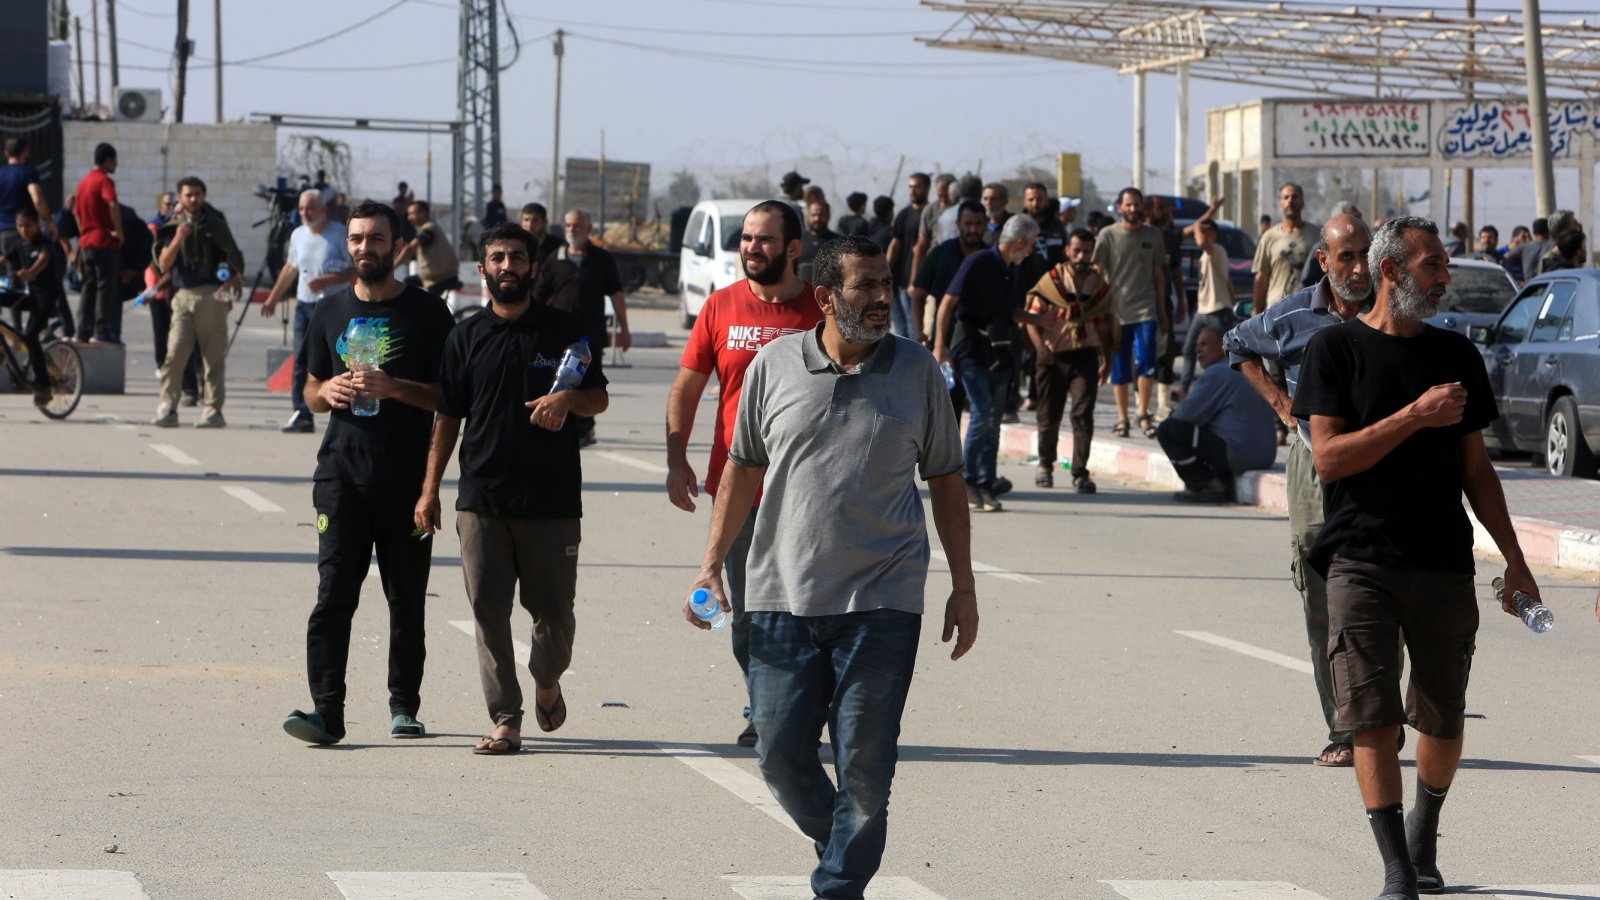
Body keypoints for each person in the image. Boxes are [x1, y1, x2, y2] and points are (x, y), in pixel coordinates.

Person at [684, 234, 977, 900]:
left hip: (883, 600)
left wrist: (963, 585)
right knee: (780, 756)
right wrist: (707, 568)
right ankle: (844, 836)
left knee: (867, 769)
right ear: (824, 297)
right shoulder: (774, 367)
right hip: (781, 596)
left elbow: (948, 480)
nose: (883, 299)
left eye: (886, 284)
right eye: (866, 287)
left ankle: (838, 886)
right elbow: (740, 470)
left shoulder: (916, 373)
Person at [1291, 215, 1538, 899]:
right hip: (1361, 561)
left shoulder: (1456, 356)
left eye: (1444, 265)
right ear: (1390, 270)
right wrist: (1413, 416)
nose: (1443, 278)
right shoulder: (1334, 351)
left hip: (1443, 563)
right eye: (1432, 265)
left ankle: (1425, 826)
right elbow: (1332, 458)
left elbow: (1477, 471)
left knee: (1444, 716)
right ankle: (1397, 868)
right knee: (1370, 715)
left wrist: (1515, 561)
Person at [415, 221, 607, 755]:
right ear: (482, 270)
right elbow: (448, 418)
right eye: (497, 258)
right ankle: (506, 718)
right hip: (482, 500)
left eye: (516, 258)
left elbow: (598, 398)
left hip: (551, 502)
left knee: (554, 616)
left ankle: (547, 679)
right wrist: (429, 489)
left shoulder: (565, 332)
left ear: (532, 267)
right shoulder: (465, 336)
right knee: (488, 613)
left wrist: (567, 402)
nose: (507, 267)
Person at [282, 201, 455, 746]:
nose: (364, 248)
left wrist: (395, 388)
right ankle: (326, 712)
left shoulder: (429, 314)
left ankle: (404, 707)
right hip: (340, 478)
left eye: (375, 239)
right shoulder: (329, 310)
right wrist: (325, 391)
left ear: (396, 245)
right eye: (356, 239)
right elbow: (309, 389)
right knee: (333, 596)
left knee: (405, 600)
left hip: (405, 481)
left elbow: (451, 398)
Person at [666, 200, 823, 748]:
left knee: (805, 604)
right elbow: (687, 387)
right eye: (747, 239)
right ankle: (764, 705)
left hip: (809, 489)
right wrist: (675, 456)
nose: (752, 248)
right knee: (748, 609)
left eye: (764, 240)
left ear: (793, 248)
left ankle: (797, 703)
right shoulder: (720, 307)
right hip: (738, 486)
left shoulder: (819, 310)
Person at [1223, 212, 1374, 768]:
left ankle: (1378, 718)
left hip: (1379, 463)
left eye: (1365, 254)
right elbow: (1235, 344)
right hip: (1314, 463)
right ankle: (1343, 728)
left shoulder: (1390, 312)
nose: (1358, 268)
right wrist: (1281, 405)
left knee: (1387, 592)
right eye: (1347, 256)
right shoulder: (1289, 318)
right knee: (1321, 599)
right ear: (1324, 260)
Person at [934, 214, 1043, 512]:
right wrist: (939, 346)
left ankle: (985, 480)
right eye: (1030, 245)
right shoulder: (979, 262)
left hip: (998, 352)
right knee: (981, 413)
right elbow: (947, 303)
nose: (1031, 251)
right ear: (1019, 242)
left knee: (994, 420)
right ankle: (966, 480)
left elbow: (1010, 312)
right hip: (969, 349)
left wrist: (1040, 321)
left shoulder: (1011, 269)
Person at [1024, 227, 1114, 493]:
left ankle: (1079, 472)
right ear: (1067, 251)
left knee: (1082, 414)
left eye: (1086, 251)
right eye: (1076, 250)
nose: (1081, 256)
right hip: (1052, 356)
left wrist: (1107, 360)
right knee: (1048, 414)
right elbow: (1032, 318)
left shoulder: (1099, 286)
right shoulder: (1051, 282)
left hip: (1085, 356)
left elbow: (1106, 325)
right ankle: (1045, 465)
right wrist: (1040, 348)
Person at [149, 176, 244, 428]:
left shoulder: (216, 224)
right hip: (183, 297)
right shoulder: (173, 226)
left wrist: (232, 280)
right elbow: (163, 264)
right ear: (180, 197)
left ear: (204, 195)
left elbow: (232, 255)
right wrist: (179, 238)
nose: (193, 199)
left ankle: (213, 410)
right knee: (175, 354)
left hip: (213, 295)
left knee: (213, 358)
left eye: (197, 194)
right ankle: (168, 407)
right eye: (188, 194)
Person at [531, 208, 629, 446]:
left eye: (577, 226)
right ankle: (559, 423)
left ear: (589, 229)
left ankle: (586, 430)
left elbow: (616, 293)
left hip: (590, 336)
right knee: (560, 380)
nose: (572, 230)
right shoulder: (554, 259)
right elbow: (538, 296)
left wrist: (625, 329)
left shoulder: (601, 259)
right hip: (558, 336)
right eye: (568, 226)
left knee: (590, 383)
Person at [262, 189, 355, 434]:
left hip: (334, 307)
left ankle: (346, 413)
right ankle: (301, 413)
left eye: (310, 208)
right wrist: (273, 298)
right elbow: (290, 268)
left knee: (339, 362)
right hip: (305, 306)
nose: (304, 213)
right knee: (301, 361)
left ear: (322, 209)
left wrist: (326, 280)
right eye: (301, 209)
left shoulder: (339, 234)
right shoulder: (297, 235)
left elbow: (353, 271)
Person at [1155, 326, 1276, 502]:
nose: (1198, 350)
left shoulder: (1218, 372)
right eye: (1197, 345)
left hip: (1239, 455)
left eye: (1204, 344)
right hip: (1265, 455)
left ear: (1221, 347)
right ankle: (1222, 480)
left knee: (1168, 430)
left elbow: (1184, 416)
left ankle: (1208, 485)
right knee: (1208, 428)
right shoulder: (1245, 367)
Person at [1092, 186, 1169, 440]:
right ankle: (1122, 417)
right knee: (1120, 368)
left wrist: (1162, 310)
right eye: (1129, 204)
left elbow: (1159, 274)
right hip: (1116, 313)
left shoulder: (1154, 235)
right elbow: (1096, 273)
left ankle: (1143, 413)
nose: (1133, 209)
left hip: (1145, 309)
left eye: (1137, 204)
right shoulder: (1107, 235)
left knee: (1147, 362)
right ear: (1120, 207)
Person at [1178, 197, 1238, 398]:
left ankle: (1222, 388)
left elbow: (1201, 240)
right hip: (1203, 310)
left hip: (1217, 310)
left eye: (1203, 231)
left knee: (1220, 353)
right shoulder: (1208, 255)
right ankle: (1184, 387)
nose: (1198, 236)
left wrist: (1197, 227)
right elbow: (1227, 280)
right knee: (1189, 348)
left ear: (1212, 235)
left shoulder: (1215, 250)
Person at [1, 207, 61, 405]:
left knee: (29, 335)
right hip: (30, 295)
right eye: (20, 226)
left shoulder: (45, 243)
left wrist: (30, 272)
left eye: (28, 226)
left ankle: (44, 385)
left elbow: (43, 261)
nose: (24, 230)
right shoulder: (19, 244)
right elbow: (3, 260)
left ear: (37, 225)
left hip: (47, 297)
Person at [910, 200, 986, 346]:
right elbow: (918, 295)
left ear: (985, 225)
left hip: (979, 343)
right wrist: (919, 332)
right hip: (943, 341)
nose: (973, 229)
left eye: (978, 224)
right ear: (958, 224)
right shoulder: (941, 254)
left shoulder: (990, 258)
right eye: (968, 224)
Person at [73, 142, 124, 344]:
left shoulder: (83, 182)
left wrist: (84, 231)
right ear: (108, 160)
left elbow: (76, 212)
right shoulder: (104, 181)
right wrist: (119, 232)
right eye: (114, 160)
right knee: (105, 287)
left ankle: (82, 330)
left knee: (88, 286)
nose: (115, 164)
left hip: (86, 242)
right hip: (104, 241)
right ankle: (100, 329)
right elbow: (112, 204)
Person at [1253, 182, 1315, 317]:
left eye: (1295, 197)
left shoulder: (1316, 235)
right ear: (1280, 204)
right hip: (1276, 310)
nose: (1290, 201)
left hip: (1307, 309)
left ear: (1302, 202)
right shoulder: (1269, 237)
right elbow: (1262, 276)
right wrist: (1255, 311)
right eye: (1286, 198)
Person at [884, 173, 929, 339]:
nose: (913, 190)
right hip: (900, 279)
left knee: (913, 323)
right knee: (899, 324)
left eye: (917, 186)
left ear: (926, 188)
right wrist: (885, 272)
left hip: (918, 280)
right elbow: (895, 243)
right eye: (910, 186)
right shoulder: (903, 214)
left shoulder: (928, 213)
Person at [395, 200, 462, 297]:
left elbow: (410, 248)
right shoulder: (429, 228)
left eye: (412, 214)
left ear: (423, 213)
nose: (409, 218)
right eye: (408, 214)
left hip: (439, 277)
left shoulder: (429, 229)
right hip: (440, 275)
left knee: (408, 284)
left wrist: (392, 267)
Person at [1, 138, 54, 260]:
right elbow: (37, 200)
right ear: (25, 152)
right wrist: (49, 222)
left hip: (2, 230)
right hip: (22, 231)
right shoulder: (28, 172)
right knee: (23, 274)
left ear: (6, 154)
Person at [909, 173, 955, 290]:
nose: (943, 200)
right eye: (940, 196)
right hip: (934, 266)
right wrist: (914, 281)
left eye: (947, 196)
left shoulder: (961, 210)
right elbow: (921, 244)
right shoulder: (930, 210)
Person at [796, 199, 840, 281]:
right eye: (814, 215)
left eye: (821, 215)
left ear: (828, 216)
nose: (817, 219)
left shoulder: (838, 242)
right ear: (808, 216)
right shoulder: (798, 240)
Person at [518, 202, 566, 270]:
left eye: (535, 220)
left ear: (545, 222)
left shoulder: (557, 247)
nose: (530, 225)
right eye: (526, 220)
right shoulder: (515, 246)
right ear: (521, 222)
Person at [1514, 217, 1551, 285]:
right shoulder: (1555, 246)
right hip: (1549, 286)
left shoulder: (1523, 247)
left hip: (1530, 287)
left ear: (1533, 232)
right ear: (1549, 231)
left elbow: (1505, 257)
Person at [980, 182, 1012, 246]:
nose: (988, 203)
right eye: (985, 199)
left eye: (993, 199)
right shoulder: (978, 224)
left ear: (1005, 201)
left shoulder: (1013, 224)